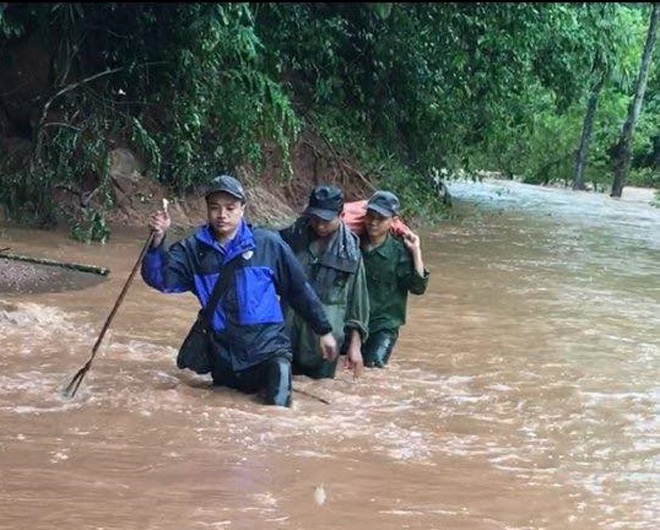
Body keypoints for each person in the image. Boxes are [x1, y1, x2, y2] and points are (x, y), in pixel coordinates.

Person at [140, 174, 338, 407]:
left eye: (230, 208)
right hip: (225, 357)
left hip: (270, 352)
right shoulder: (193, 250)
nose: (222, 215)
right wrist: (157, 241)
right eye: (215, 208)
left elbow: (298, 289)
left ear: (243, 209)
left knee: (278, 416)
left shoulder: (268, 244)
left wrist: (323, 330)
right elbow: (160, 279)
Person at [278, 184, 369, 380]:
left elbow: (357, 305)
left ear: (341, 214)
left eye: (326, 220)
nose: (320, 225)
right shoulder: (291, 238)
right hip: (286, 336)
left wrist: (355, 347)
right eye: (315, 219)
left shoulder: (351, 252)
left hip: (325, 345)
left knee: (321, 397)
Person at [361, 190, 430, 368]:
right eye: (370, 216)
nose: (373, 223)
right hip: (354, 322)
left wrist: (416, 252)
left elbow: (418, 288)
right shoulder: (354, 244)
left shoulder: (400, 252)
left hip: (383, 326)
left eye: (381, 218)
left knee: (374, 367)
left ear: (393, 220)